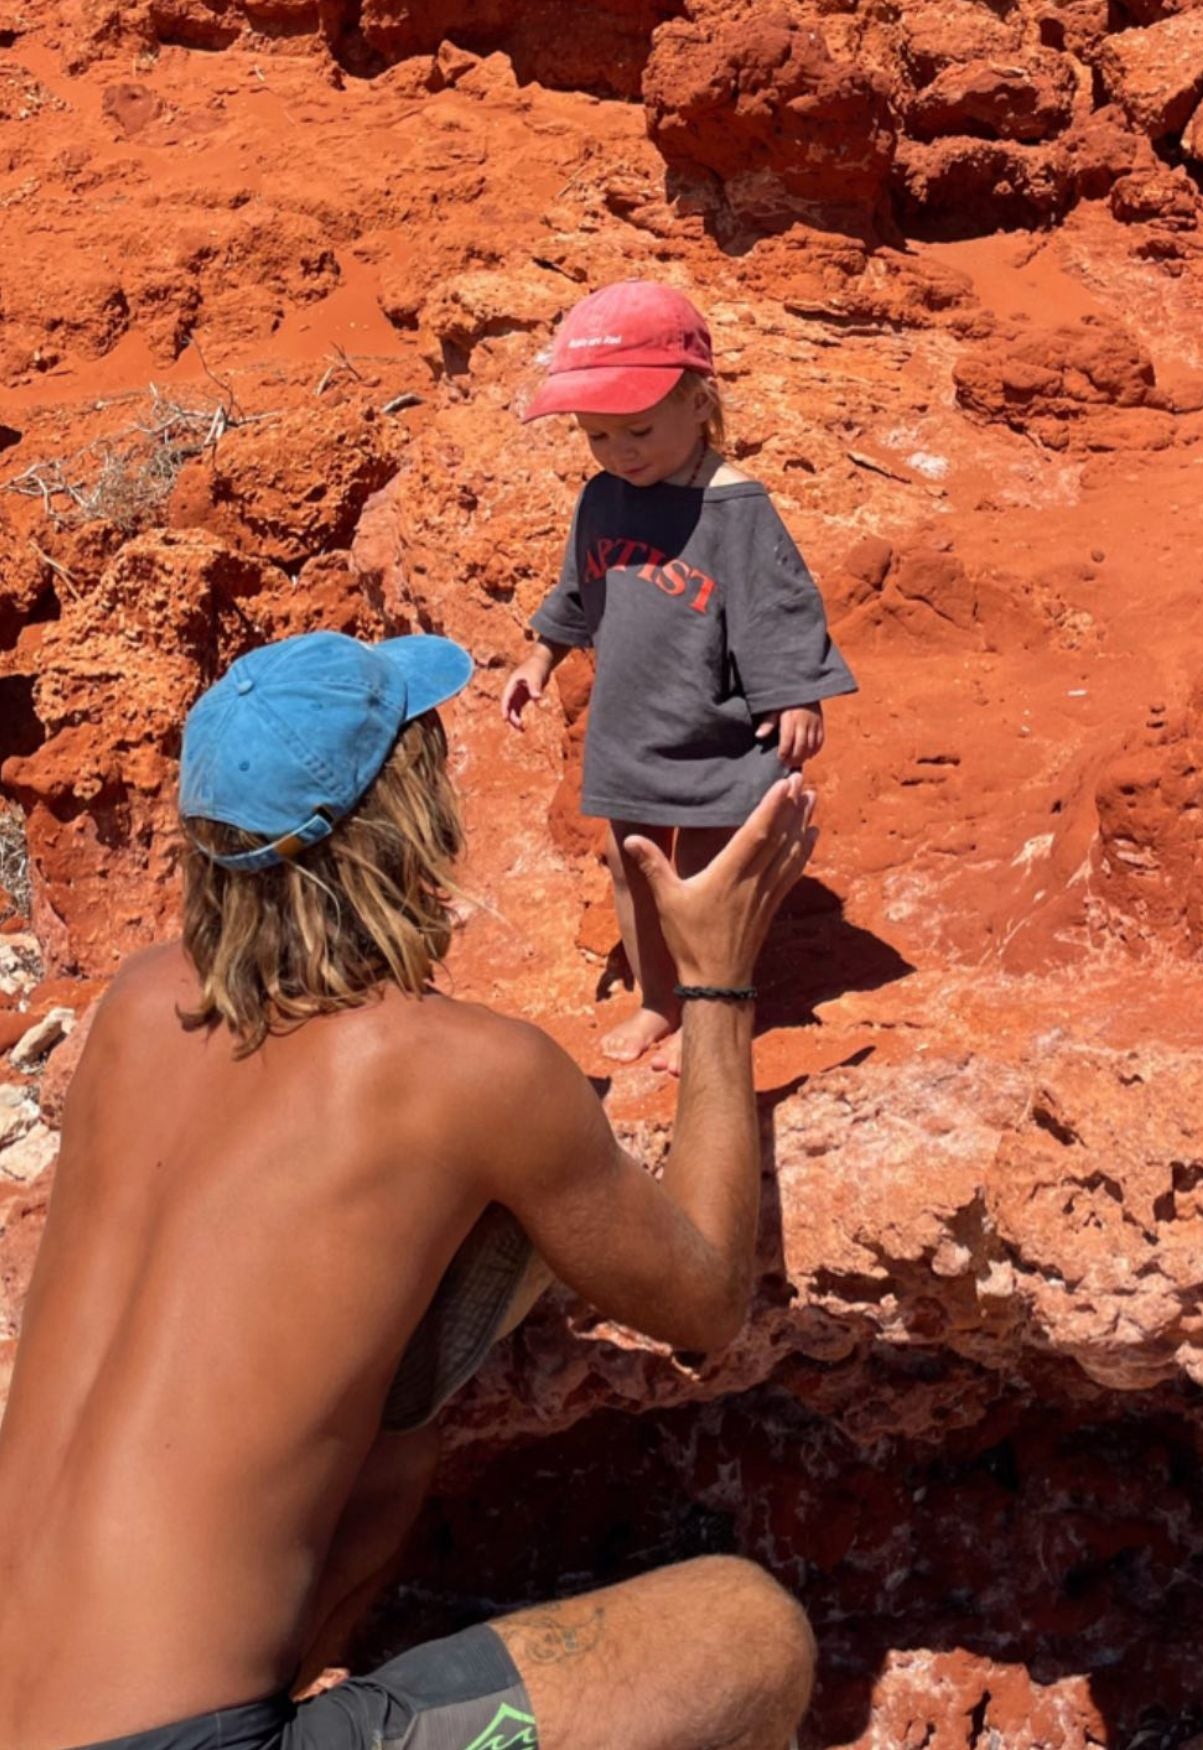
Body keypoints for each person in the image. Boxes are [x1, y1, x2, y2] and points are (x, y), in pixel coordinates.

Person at [0, 629, 818, 1750]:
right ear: (406, 814)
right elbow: (706, 1299)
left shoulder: (137, 1007)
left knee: (410, 1393)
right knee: (748, 1631)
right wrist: (716, 972)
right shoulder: (464, 1073)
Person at [501, 280, 856, 1075]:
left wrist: (796, 691)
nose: (619, 452)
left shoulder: (735, 508)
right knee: (631, 871)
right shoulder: (603, 499)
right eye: (596, 436)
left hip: (713, 733)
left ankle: (712, 1006)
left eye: (637, 429)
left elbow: (778, 606)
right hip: (629, 729)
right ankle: (657, 1000)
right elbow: (573, 591)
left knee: (703, 880)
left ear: (701, 402)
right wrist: (538, 657)